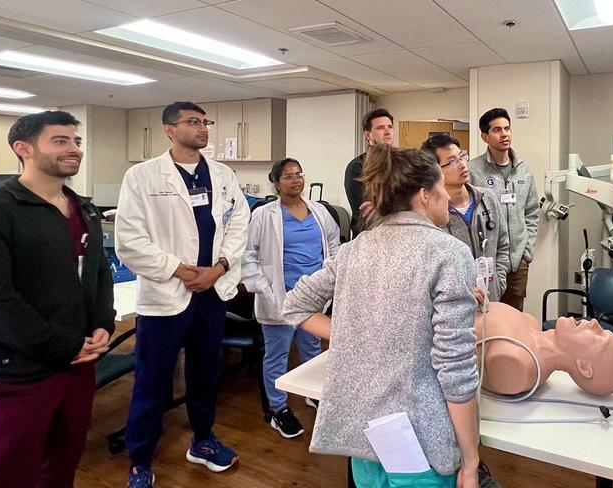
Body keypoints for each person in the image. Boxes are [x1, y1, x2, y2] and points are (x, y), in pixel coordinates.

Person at [283, 144, 481, 488]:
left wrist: (356, 332)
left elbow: (295, 305)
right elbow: (456, 368)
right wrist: (471, 460)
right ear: (424, 195)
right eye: (441, 190)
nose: (448, 198)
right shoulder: (449, 253)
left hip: (367, 438)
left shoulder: (355, 249)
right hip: (421, 441)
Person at [0, 111, 115, 488]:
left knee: (62, 462)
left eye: (76, 141)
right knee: (8, 472)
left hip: (76, 363)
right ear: (23, 149)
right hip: (13, 371)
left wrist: (103, 322)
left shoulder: (82, 208)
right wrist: (64, 344)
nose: (74, 149)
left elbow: (98, 273)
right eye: (60, 140)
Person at [115, 101, 250, 487]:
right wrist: (177, 269)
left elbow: (240, 224)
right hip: (165, 295)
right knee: (153, 380)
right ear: (169, 130)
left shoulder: (223, 175)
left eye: (205, 121)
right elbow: (129, 240)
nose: (203, 128)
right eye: (193, 122)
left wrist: (219, 268)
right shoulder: (142, 177)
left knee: (206, 373)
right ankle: (140, 460)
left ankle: (203, 441)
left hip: (210, 293)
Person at [242, 157, 340, 438]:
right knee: (277, 355)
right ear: (276, 183)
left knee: (311, 349)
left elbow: (333, 245)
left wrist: (329, 282)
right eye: (288, 176)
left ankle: (312, 394)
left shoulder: (319, 212)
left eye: (299, 174)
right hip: (280, 298)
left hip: (313, 298)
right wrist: (263, 287)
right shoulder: (264, 215)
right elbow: (247, 255)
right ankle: (278, 409)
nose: (296, 180)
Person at [421, 133, 509, 302]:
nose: (462, 165)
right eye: (452, 162)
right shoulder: (431, 213)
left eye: (462, 156)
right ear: (435, 172)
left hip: (492, 299)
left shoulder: (487, 198)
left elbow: (503, 245)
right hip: (455, 305)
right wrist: (461, 292)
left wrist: (498, 282)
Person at [467, 108, 540, 312]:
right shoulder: (473, 171)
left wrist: (527, 252)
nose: (504, 134)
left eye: (507, 128)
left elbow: (532, 213)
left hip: (518, 261)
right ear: (485, 136)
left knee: (515, 316)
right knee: (488, 315)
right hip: (487, 261)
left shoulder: (524, 170)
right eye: (497, 130)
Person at [475, 302, 613, 397]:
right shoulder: (531, 325)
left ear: (583, 367)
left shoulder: (520, 366)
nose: (595, 322)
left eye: (599, 336)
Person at [344, 108, 394, 236]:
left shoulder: (402, 163)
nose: (387, 131)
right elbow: (366, 213)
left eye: (390, 127)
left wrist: (382, 206)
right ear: (368, 135)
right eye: (380, 128)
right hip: (368, 237)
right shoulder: (356, 168)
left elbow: (415, 201)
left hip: (399, 235)